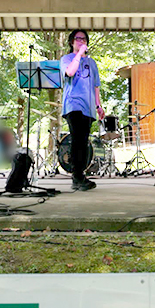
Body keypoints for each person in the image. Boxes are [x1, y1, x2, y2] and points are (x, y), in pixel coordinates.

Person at [60, 29, 104, 191]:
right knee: (77, 139)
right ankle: (77, 176)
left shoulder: (92, 63)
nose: (81, 41)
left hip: (88, 106)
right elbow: (70, 72)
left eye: (84, 39)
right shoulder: (67, 59)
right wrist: (79, 54)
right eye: (78, 39)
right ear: (71, 42)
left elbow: (96, 85)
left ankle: (79, 176)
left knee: (84, 141)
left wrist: (98, 105)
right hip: (73, 104)